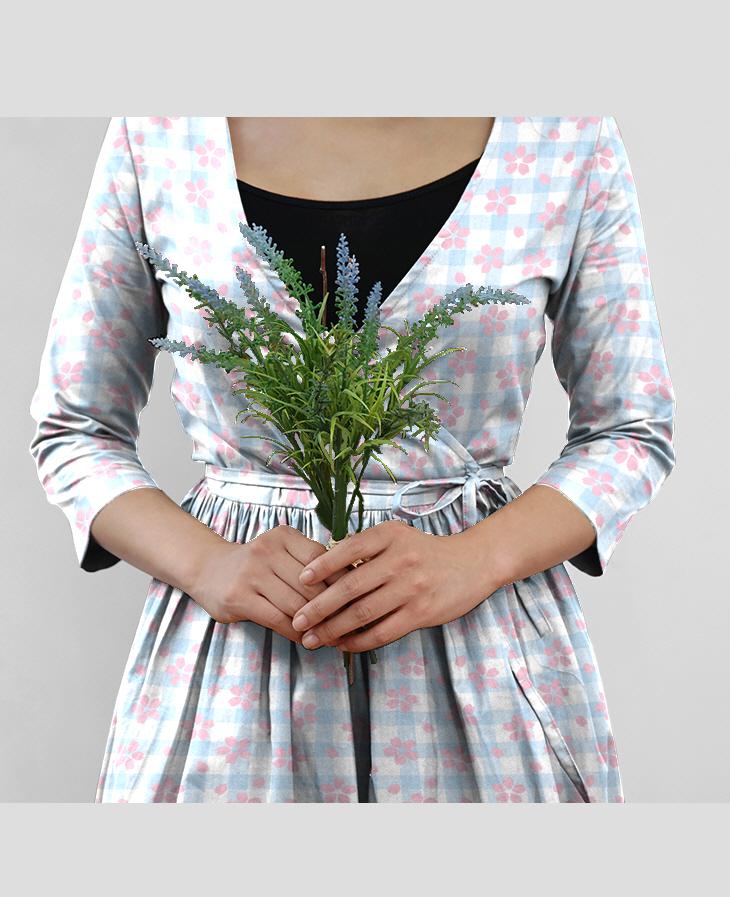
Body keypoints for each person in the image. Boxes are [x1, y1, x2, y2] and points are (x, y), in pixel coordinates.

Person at [28, 115, 676, 803]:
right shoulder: (157, 133)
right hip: (235, 668)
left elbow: (629, 428)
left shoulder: (565, 139)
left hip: (481, 665)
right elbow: (75, 427)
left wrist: (476, 559)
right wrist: (207, 563)